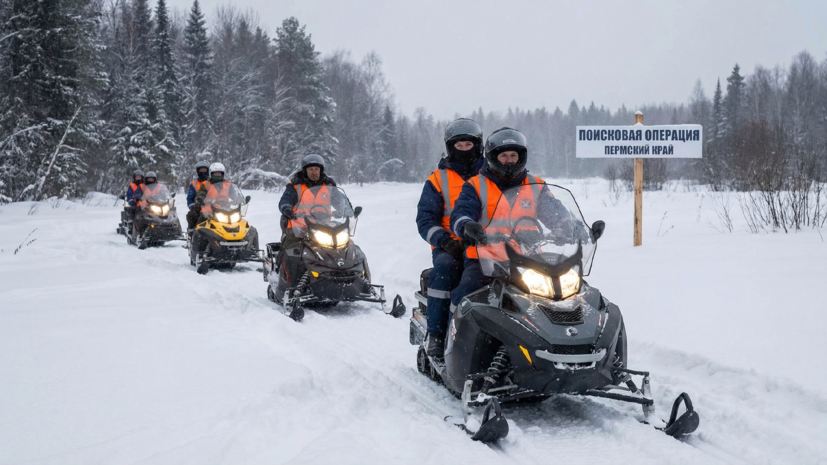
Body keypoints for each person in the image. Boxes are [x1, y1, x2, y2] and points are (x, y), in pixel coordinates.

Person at [449, 127, 548, 317]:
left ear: (521, 157)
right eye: (504, 155)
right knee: (467, 291)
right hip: (486, 258)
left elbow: (556, 212)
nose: (509, 160)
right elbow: (460, 214)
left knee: (559, 293)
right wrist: (467, 226)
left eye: (513, 155)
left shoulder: (537, 186)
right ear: (493, 157)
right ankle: (452, 336)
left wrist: (570, 227)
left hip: (529, 258)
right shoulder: (476, 185)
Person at [415, 118, 485, 358]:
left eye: (468, 144)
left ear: (478, 145)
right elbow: (425, 219)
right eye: (459, 145)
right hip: (451, 245)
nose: (464, 149)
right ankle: (437, 334)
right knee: (445, 270)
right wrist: (444, 241)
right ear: (450, 147)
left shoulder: (493, 173)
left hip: (491, 244)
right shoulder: (438, 178)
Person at [276, 154, 339, 278]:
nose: (314, 172)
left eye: (316, 169)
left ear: (321, 170)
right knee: (290, 248)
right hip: (299, 227)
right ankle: (280, 275)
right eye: (310, 169)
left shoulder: (329, 185)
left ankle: (345, 275)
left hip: (324, 226)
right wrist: (287, 209)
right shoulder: (295, 185)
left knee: (344, 246)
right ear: (305, 170)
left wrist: (345, 210)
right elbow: (285, 200)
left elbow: (339, 200)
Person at [186, 161, 211, 230]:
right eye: (201, 170)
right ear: (198, 171)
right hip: (199, 206)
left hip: (213, 206)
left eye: (204, 170)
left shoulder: (212, 182)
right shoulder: (194, 183)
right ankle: (192, 231)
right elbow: (190, 197)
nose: (203, 172)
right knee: (191, 215)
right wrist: (192, 205)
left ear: (208, 170)